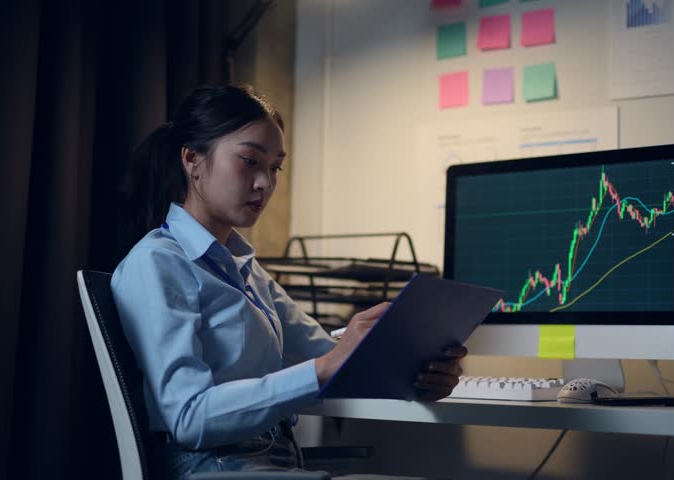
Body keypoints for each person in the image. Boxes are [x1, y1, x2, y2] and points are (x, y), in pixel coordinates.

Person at [111, 84, 467, 479]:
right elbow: (188, 416)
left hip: (276, 461)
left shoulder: (245, 269)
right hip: (215, 467)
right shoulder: (157, 262)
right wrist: (325, 366)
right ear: (193, 160)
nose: (265, 182)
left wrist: (418, 374)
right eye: (250, 160)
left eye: (275, 167)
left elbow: (330, 357)